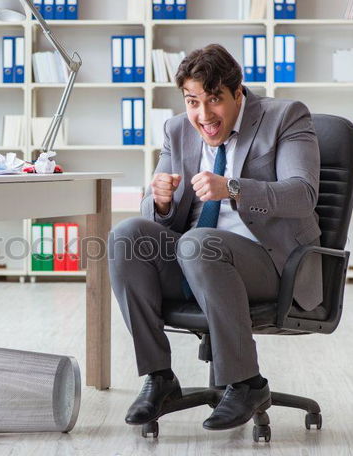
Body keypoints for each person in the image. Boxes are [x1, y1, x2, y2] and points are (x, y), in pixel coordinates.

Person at [108, 43, 323, 431]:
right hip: (196, 258)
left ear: (237, 93)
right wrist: (156, 202)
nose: (203, 115)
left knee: (199, 242)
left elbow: (302, 194)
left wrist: (234, 188)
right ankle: (159, 378)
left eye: (214, 100)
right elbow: (161, 216)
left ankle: (246, 383)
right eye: (192, 102)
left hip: (269, 262)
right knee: (126, 235)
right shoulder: (177, 129)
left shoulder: (285, 117)